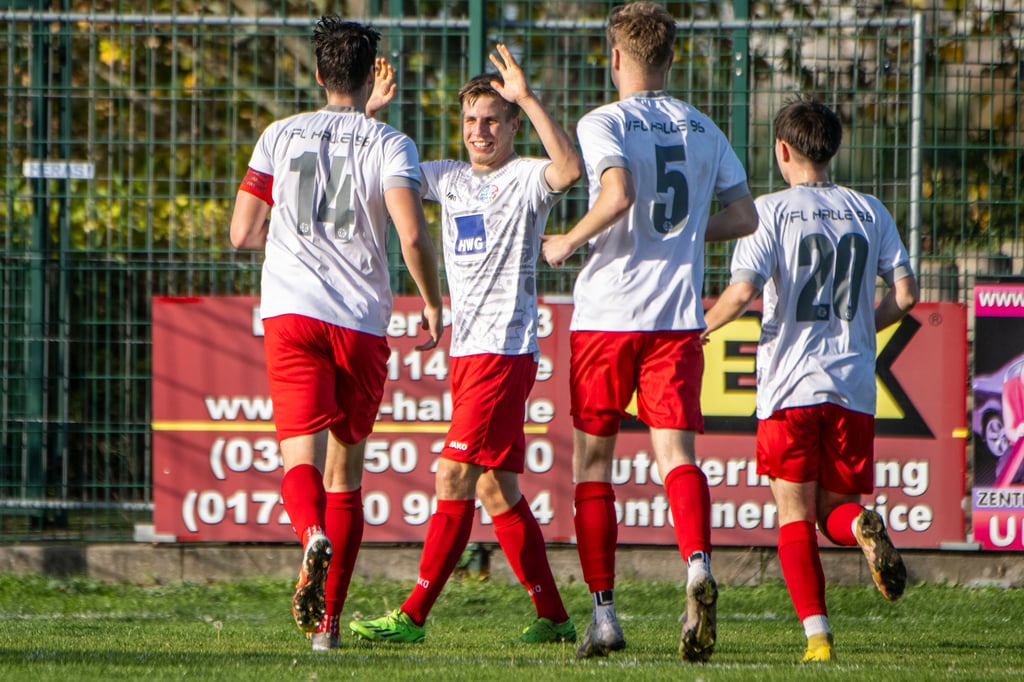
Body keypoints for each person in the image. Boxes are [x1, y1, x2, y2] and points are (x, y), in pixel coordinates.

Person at [541, 1, 758, 663]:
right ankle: (697, 566)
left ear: (615, 58)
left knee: (593, 465)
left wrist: (567, 242)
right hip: (675, 319)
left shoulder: (603, 120)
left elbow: (618, 194)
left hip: (608, 317)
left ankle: (604, 614)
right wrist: (686, 235)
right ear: (670, 58)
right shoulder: (703, 126)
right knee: (677, 457)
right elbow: (745, 218)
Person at [349, 43, 583, 645]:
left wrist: (527, 97)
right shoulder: (449, 178)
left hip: (504, 351)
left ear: (511, 126)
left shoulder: (525, 178)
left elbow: (569, 169)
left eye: (492, 120)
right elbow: (382, 167)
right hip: (468, 351)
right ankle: (554, 616)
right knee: (494, 487)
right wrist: (369, 114)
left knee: (452, 476)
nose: (480, 131)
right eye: (471, 120)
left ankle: (412, 615)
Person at [228, 16, 444, 652]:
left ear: (320, 74)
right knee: (345, 473)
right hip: (359, 319)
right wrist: (433, 302)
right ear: (369, 74)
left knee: (300, 458)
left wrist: (294, 238)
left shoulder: (278, 135)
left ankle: (309, 536)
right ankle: (327, 631)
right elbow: (411, 234)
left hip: (292, 312)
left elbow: (242, 233)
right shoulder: (390, 143)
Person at [701, 97, 918, 663]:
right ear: (832, 149)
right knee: (835, 512)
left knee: (795, 516)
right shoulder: (870, 210)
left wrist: (701, 328)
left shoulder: (768, 212)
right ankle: (862, 524)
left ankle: (818, 639)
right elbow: (906, 295)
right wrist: (863, 325)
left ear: (782, 150)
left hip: (790, 386)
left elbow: (742, 292)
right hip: (853, 388)